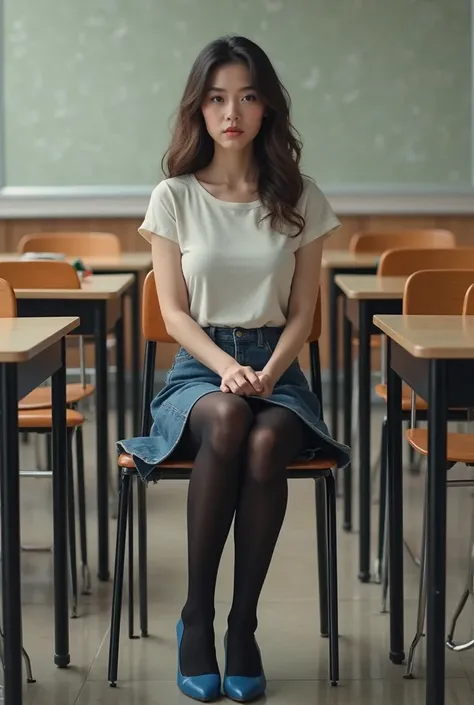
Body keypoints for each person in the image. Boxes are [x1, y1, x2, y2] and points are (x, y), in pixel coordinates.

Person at [119, 35, 350, 703]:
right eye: (218, 97)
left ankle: (241, 624)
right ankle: (198, 616)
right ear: (199, 109)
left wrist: (269, 372)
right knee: (225, 419)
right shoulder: (174, 196)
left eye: (248, 96)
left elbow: (305, 314)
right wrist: (226, 369)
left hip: (280, 370)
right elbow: (172, 312)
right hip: (199, 371)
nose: (232, 112)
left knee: (268, 435)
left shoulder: (300, 195)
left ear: (267, 108)